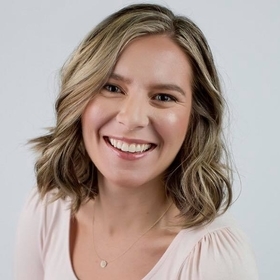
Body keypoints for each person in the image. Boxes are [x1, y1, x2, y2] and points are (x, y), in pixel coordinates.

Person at [14, 3, 258, 280]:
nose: (132, 119)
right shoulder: (47, 209)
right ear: (79, 97)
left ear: (195, 117)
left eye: (164, 97)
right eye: (112, 88)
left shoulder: (213, 258)